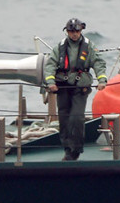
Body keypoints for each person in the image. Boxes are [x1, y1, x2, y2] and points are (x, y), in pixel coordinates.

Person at [44, 17, 108, 161]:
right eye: (71, 31)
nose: (74, 34)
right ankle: (67, 149)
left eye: (77, 31)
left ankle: (76, 149)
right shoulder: (60, 47)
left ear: (81, 31)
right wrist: (50, 82)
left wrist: (102, 80)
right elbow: (50, 65)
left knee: (76, 118)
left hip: (81, 87)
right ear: (67, 31)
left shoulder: (89, 46)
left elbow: (98, 63)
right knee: (64, 119)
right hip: (63, 86)